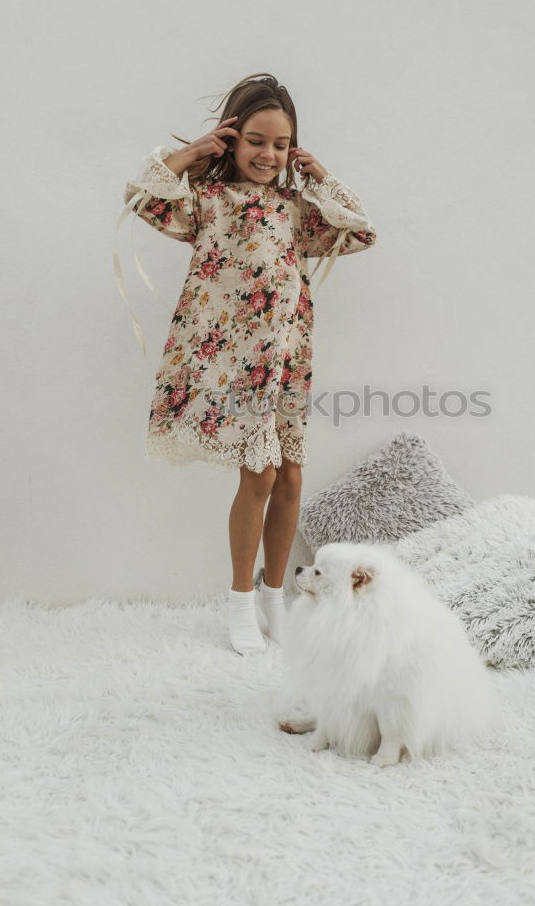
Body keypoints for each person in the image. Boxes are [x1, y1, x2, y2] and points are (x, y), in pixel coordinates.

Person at [120, 73, 377, 656]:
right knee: (257, 475)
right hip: (231, 363)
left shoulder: (294, 209)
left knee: (289, 476)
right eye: (256, 140)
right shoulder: (207, 203)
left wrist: (321, 177)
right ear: (232, 140)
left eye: (281, 145)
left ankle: (273, 594)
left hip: (286, 358)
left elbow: (360, 232)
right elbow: (142, 199)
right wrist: (189, 155)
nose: (268, 154)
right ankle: (238, 598)